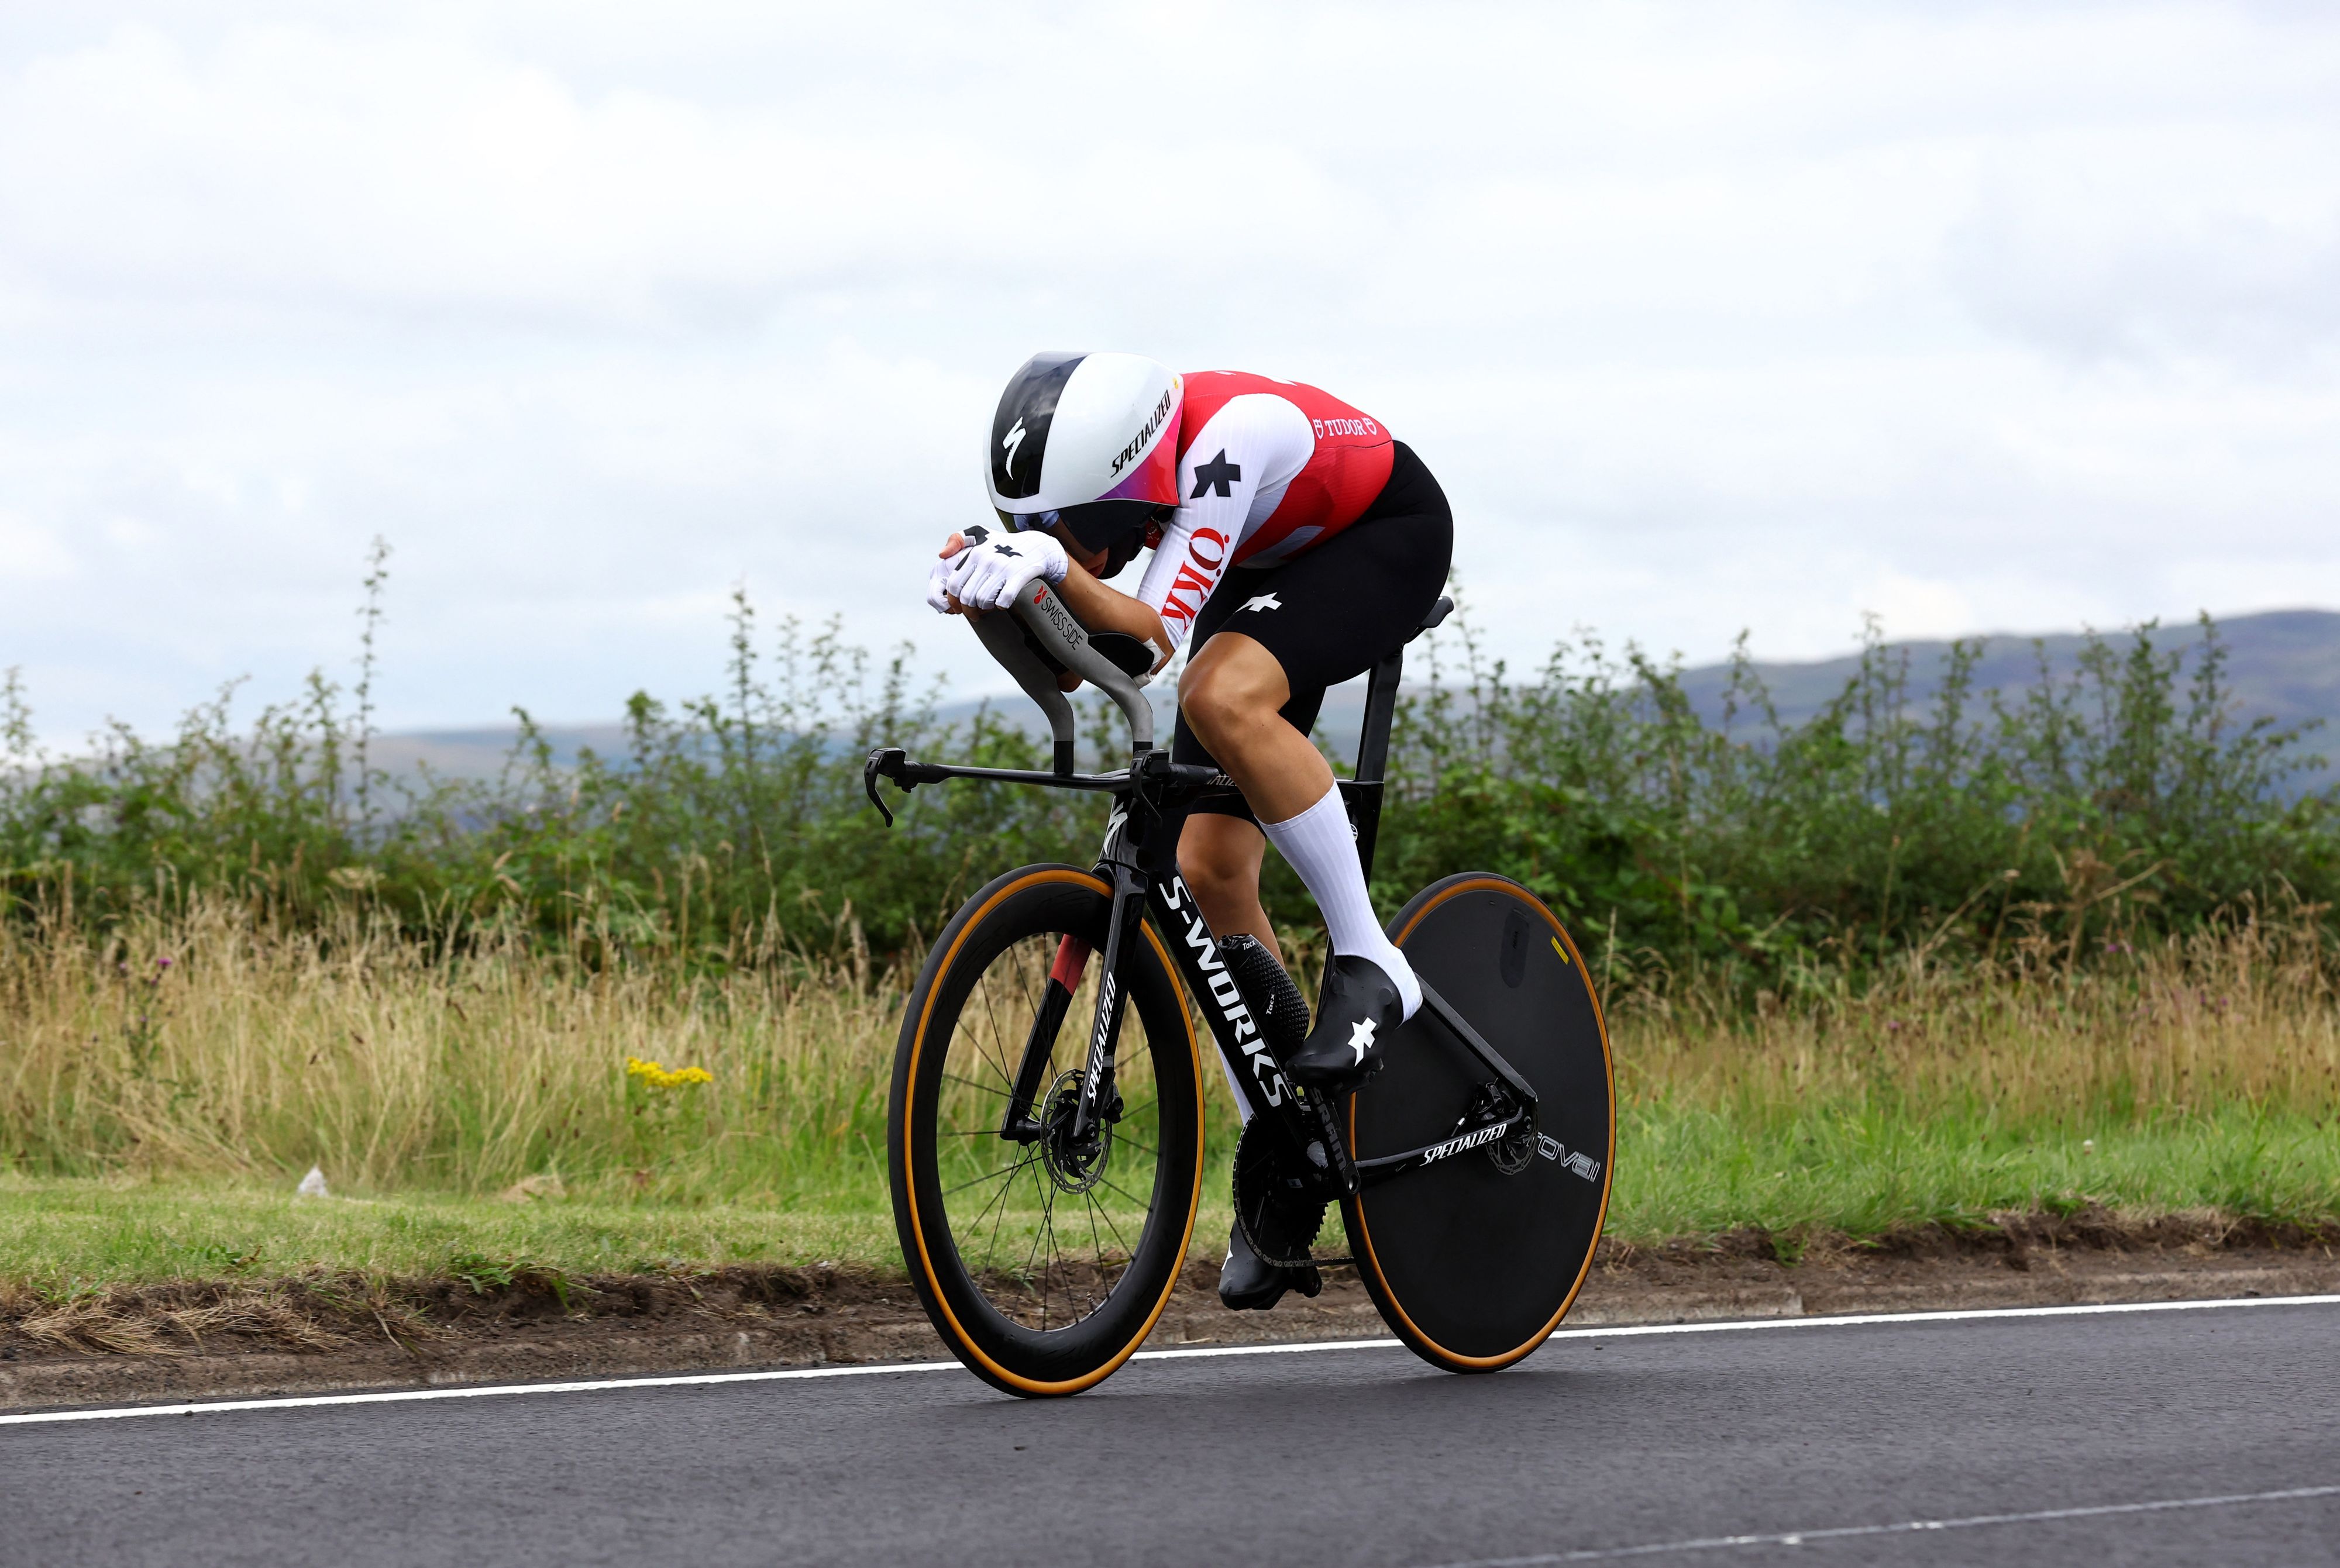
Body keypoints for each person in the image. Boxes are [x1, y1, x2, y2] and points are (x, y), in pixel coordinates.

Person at [925, 351, 1454, 1308]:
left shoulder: (1223, 443)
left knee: (1221, 691)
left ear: (1125, 487)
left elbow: (1157, 638)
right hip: (1272, 563)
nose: (1069, 551)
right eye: (1033, 529)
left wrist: (1050, 568)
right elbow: (1096, 661)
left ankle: (1374, 956)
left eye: (1070, 532)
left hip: (1384, 532)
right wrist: (987, 596)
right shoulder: (1142, 498)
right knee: (1209, 869)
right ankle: (1282, 1164)